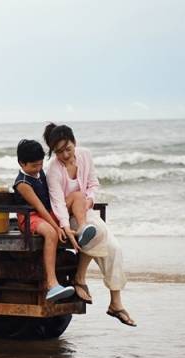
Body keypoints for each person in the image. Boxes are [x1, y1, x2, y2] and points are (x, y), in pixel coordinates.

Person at [44, 123, 136, 327]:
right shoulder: (53, 168)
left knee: (115, 249)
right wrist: (65, 226)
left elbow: (93, 184)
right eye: (59, 152)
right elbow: (57, 201)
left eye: (68, 149)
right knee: (98, 234)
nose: (65, 155)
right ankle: (79, 277)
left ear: (74, 143)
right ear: (53, 152)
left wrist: (90, 200)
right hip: (67, 215)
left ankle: (115, 302)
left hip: (85, 211)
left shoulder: (85, 155)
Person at [13, 139, 75, 302]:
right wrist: (57, 226)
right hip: (29, 217)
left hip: (46, 213)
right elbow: (39, 208)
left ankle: (81, 232)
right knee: (51, 233)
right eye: (33, 166)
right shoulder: (23, 183)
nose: (38, 169)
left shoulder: (41, 173)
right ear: (21, 163)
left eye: (40, 164)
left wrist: (63, 221)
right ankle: (52, 284)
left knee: (74, 199)